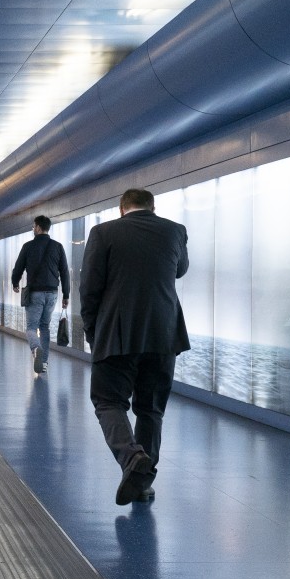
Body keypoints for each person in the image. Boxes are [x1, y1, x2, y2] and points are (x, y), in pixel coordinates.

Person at [80, 188, 190, 505]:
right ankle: (142, 482)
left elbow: (89, 288)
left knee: (107, 401)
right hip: (164, 334)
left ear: (121, 209)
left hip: (117, 332)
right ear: (152, 208)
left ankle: (131, 459)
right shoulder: (175, 231)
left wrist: (92, 331)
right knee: (151, 409)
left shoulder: (103, 233)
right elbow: (180, 269)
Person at [11, 215, 70, 375]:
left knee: (31, 327)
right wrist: (66, 294)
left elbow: (18, 268)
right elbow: (64, 272)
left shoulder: (28, 246)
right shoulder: (58, 247)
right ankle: (44, 364)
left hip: (35, 293)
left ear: (37, 227)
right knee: (44, 327)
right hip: (52, 293)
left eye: (33, 227)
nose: (33, 229)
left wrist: (15, 282)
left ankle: (36, 348)